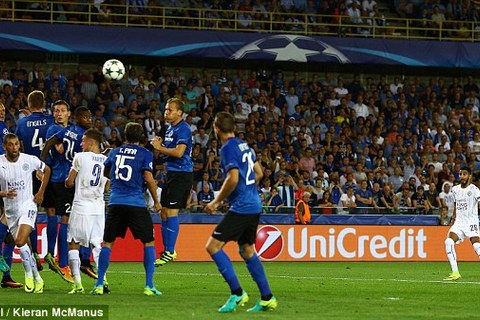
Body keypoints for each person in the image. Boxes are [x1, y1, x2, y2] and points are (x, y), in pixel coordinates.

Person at [204, 111, 277, 313]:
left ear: (216, 129)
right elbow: (260, 173)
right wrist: (249, 187)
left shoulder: (227, 148)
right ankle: (267, 298)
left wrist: (216, 202)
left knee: (213, 247)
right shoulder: (246, 146)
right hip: (254, 203)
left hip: (243, 206)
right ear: (234, 128)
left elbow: (233, 178)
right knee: (247, 250)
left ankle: (237, 293)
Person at [91, 122, 162, 296]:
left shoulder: (115, 152)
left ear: (125, 137)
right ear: (142, 138)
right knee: (149, 242)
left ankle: (100, 284)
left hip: (115, 202)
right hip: (136, 203)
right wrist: (156, 201)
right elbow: (148, 177)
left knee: (108, 242)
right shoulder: (146, 154)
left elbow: (105, 172)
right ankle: (149, 285)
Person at [41, 105, 96, 280]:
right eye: (86, 118)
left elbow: (49, 143)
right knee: (70, 220)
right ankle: (67, 262)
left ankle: (64, 258)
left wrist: (41, 164)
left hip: (58, 178)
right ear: (78, 117)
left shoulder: (68, 131)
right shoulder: (83, 137)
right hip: (69, 182)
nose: (89, 121)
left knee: (64, 218)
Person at [0, 133, 50, 293]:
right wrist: (3, 194)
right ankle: (38, 278)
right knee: (24, 245)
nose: (15, 148)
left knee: (21, 241)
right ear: (5, 147)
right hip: (11, 212)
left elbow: (47, 170)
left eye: (16, 144)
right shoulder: (0, 163)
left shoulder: (29, 160)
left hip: (28, 206)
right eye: (11, 145)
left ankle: (28, 274)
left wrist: (41, 191)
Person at [65, 128, 108, 294]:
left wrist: (67, 182)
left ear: (91, 143)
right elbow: (108, 186)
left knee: (74, 243)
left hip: (81, 205)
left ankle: (77, 284)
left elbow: (69, 182)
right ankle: (102, 282)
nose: (81, 144)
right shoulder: (106, 159)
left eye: (83, 141)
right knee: (97, 245)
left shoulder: (80, 157)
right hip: (98, 207)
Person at [151, 98, 193, 266]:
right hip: (171, 174)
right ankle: (168, 249)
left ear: (179, 113)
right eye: (166, 109)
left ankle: (169, 251)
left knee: (171, 212)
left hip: (182, 175)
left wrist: (160, 148)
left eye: (170, 110)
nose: (166, 112)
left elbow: (179, 152)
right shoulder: (170, 129)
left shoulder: (183, 129)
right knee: (163, 212)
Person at [15, 90, 54, 271]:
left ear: (29, 104)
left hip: (28, 171)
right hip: (47, 170)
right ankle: (52, 254)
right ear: (43, 102)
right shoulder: (51, 120)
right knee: (52, 210)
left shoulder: (22, 122)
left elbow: (19, 146)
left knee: (30, 212)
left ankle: (34, 253)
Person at [42, 100, 72, 282]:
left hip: (63, 178)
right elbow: (61, 149)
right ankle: (61, 262)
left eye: (62, 111)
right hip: (59, 179)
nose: (59, 114)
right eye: (56, 111)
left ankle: (53, 255)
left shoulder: (70, 130)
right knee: (62, 218)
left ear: (69, 113)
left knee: (55, 215)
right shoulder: (53, 130)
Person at [444, 166, 480, 281]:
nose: (462, 176)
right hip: (459, 222)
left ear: (469, 175)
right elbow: (456, 205)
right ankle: (455, 273)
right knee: (448, 241)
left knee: (476, 246)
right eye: (460, 174)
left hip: (471, 222)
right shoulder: (455, 189)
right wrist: (453, 218)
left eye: (464, 174)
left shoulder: (474, 190)